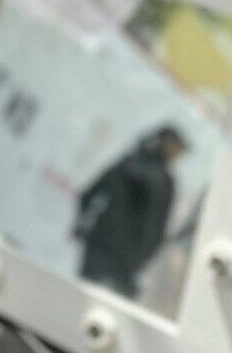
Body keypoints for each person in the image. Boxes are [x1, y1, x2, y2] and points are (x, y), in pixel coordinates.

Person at [74, 125, 189, 299]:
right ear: (165, 144)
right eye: (175, 148)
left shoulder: (136, 166)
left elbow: (88, 195)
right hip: (118, 256)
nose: (176, 155)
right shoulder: (162, 182)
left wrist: (84, 223)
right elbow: (157, 231)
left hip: (110, 250)